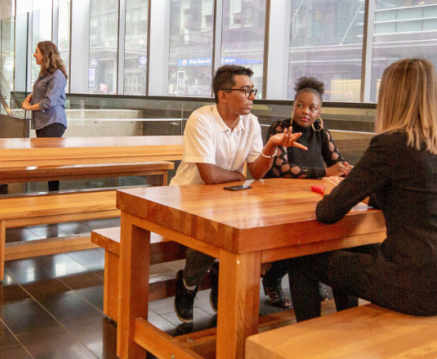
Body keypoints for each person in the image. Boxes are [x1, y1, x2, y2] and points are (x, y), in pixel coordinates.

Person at [289, 58, 437, 322]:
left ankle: (305, 353)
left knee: (302, 260)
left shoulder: (391, 144)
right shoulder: (430, 143)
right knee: (356, 251)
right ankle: (345, 328)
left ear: (390, 96)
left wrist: (332, 192)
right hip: (427, 273)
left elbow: (328, 213)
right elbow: (414, 195)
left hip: (416, 284)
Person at [171, 65, 307, 322]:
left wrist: (271, 146)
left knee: (246, 222)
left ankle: (222, 275)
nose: (251, 97)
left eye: (252, 90)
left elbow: (256, 171)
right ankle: (188, 284)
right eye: (245, 91)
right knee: (211, 227)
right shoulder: (201, 119)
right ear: (223, 95)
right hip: (188, 196)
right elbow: (209, 175)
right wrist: (238, 175)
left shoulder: (251, 122)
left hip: (227, 196)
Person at [262, 77, 350, 308]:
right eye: (300, 105)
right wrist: (326, 171)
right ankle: (273, 277)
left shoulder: (320, 131)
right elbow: (281, 169)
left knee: (319, 232)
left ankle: (309, 276)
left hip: (307, 194)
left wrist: (344, 170)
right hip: (278, 197)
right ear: (293, 106)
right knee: (296, 239)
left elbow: (336, 160)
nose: (305, 111)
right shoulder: (280, 128)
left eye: (312, 108)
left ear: (319, 111)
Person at [22, 41, 68, 192]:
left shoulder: (58, 75)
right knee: (47, 160)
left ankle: (53, 194)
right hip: (42, 122)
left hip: (53, 121)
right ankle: (50, 194)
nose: (34, 55)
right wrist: (32, 96)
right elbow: (42, 93)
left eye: (37, 52)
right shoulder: (45, 74)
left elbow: (49, 102)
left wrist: (29, 107)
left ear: (45, 54)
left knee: (50, 160)